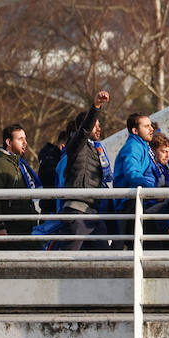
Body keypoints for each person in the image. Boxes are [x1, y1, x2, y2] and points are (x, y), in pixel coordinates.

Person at [60, 90, 112, 250]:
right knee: (68, 262)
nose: (99, 129)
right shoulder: (76, 145)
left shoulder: (97, 151)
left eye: (99, 125)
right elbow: (83, 132)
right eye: (95, 125)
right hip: (77, 212)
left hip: (93, 214)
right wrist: (96, 107)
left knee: (104, 259)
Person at [0, 124, 42, 247]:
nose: (25, 143)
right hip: (11, 228)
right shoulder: (1, 164)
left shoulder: (19, 163)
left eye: (25, 139)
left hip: (25, 225)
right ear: (8, 142)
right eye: (20, 139)